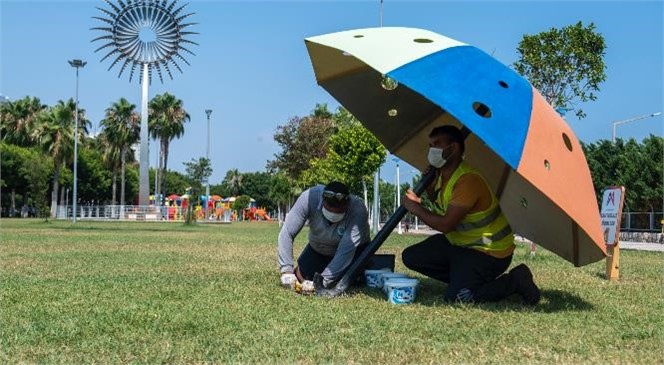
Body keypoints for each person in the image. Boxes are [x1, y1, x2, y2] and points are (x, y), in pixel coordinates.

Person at [401, 125, 541, 305]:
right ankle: (465, 279)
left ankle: (514, 281)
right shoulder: (442, 176)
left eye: (436, 145)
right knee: (412, 257)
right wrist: (429, 189)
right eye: (430, 145)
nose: (431, 150)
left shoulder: (467, 180)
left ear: (453, 148)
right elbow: (444, 207)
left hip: (488, 252)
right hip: (461, 245)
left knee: (457, 298)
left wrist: (416, 208)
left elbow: (446, 225)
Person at [278, 181, 371, 293]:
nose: (333, 213)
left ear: (347, 204)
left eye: (339, 211)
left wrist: (322, 282)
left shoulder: (358, 210)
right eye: (329, 209)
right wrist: (287, 270)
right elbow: (287, 232)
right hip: (319, 248)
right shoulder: (308, 198)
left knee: (349, 282)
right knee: (302, 276)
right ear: (322, 201)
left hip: (353, 252)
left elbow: (345, 252)